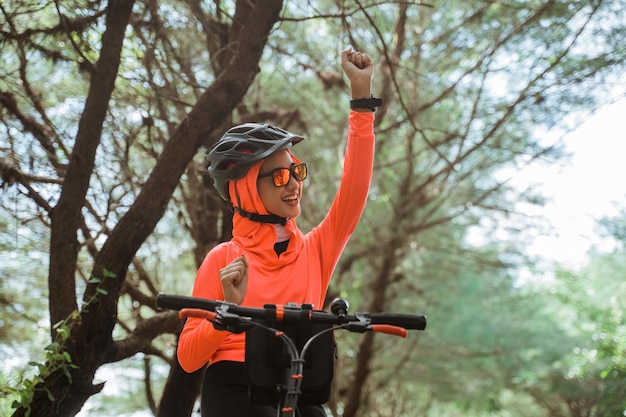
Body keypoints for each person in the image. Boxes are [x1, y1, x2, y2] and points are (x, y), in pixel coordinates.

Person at [177, 47, 379, 417]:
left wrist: (362, 101)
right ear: (247, 188)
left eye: (296, 171)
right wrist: (226, 312)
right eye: (280, 177)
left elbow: (354, 190)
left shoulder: (315, 250)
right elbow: (189, 359)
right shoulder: (223, 259)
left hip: (299, 379)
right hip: (235, 384)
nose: (294, 185)